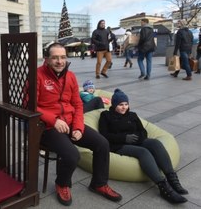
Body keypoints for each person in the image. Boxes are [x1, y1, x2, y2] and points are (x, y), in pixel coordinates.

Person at [37, 43, 121, 206]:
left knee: (102, 144)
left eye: (62, 57)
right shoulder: (37, 75)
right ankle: (62, 184)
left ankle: (99, 183)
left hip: (69, 122)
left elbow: (77, 104)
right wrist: (53, 120)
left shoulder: (71, 77)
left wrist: (78, 127)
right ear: (47, 59)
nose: (59, 61)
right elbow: (29, 105)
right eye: (55, 57)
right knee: (72, 155)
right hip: (46, 126)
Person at [98, 89, 188, 204]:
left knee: (155, 143)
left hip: (136, 141)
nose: (124, 107)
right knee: (143, 152)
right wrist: (124, 138)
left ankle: (172, 179)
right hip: (118, 145)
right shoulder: (106, 115)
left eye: (126, 104)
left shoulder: (132, 115)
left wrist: (137, 137)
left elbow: (143, 132)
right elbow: (104, 135)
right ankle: (164, 187)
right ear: (114, 104)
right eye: (120, 105)